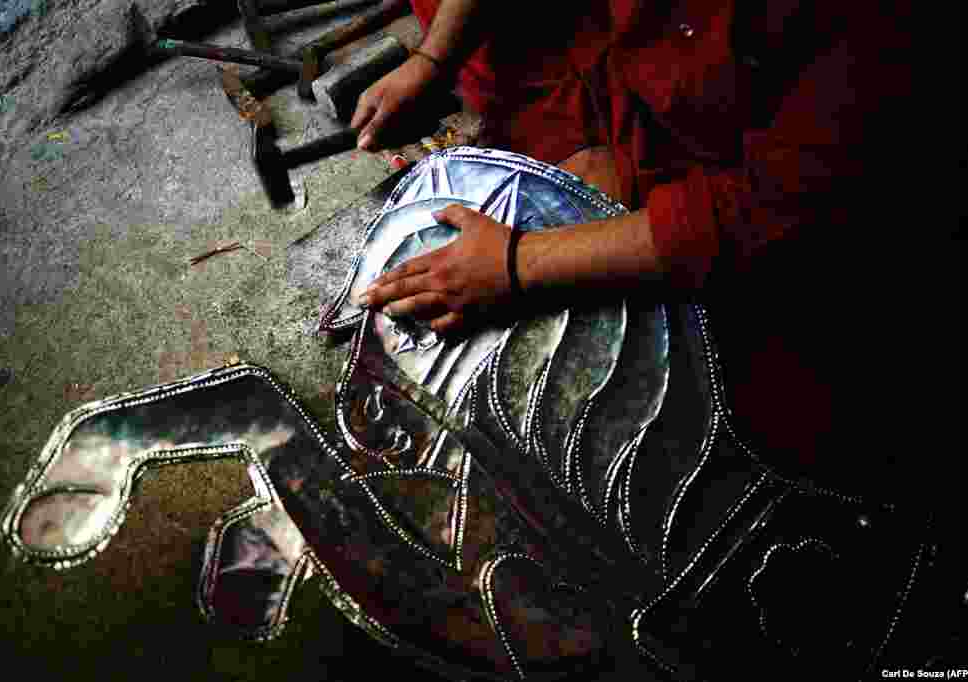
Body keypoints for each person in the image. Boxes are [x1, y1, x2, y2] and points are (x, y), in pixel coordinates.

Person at [347, 0, 936, 503]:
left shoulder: (872, 29)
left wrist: (519, 262)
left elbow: (766, 212)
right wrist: (432, 61)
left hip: (818, 268)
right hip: (638, 105)